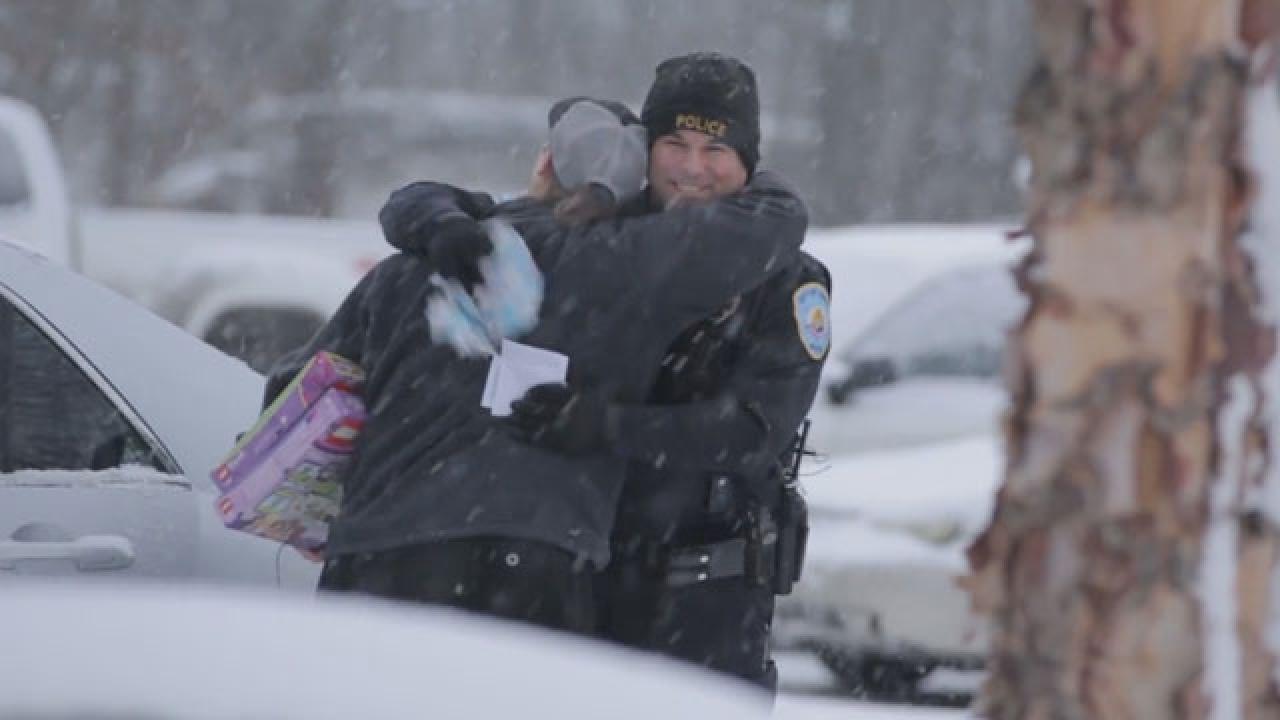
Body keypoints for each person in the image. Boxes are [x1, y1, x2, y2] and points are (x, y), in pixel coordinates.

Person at [265, 95, 809, 636]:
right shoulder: (634, 270)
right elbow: (774, 222)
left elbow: (290, 393)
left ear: (546, 162)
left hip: (373, 554)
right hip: (534, 562)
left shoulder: (409, 267)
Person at [507, 53, 832, 692]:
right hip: (579, 583)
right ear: (644, 150)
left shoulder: (786, 279)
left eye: (716, 149)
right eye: (674, 144)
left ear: (748, 162)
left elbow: (750, 432)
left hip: (707, 598)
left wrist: (606, 425)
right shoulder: (599, 241)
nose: (692, 167)